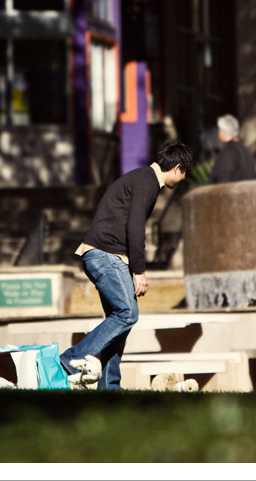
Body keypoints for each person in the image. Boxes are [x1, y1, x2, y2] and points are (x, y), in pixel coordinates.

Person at [59, 140, 194, 389]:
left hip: (101, 254)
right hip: (106, 255)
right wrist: (139, 271)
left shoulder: (143, 178)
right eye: (184, 173)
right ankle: (72, 358)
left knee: (118, 318)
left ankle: (109, 385)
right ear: (176, 168)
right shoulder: (148, 181)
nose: (183, 179)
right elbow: (135, 227)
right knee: (127, 313)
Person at [207, 114, 256, 184]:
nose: (218, 132)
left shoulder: (229, 151)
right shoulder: (244, 149)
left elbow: (222, 180)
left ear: (224, 132)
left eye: (219, 129)